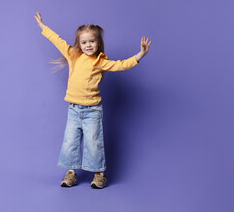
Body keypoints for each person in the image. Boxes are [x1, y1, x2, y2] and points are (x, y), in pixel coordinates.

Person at [34, 12, 152, 189]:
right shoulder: (73, 55)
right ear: (78, 44)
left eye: (92, 41)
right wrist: (43, 26)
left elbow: (120, 65)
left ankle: (99, 175)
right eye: (84, 42)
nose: (88, 45)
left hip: (92, 111)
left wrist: (140, 54)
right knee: (70, 141)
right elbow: (56, 40)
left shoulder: (99, 61)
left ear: (98, 43)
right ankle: (71, 173)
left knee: (93, 143)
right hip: (73, 109)